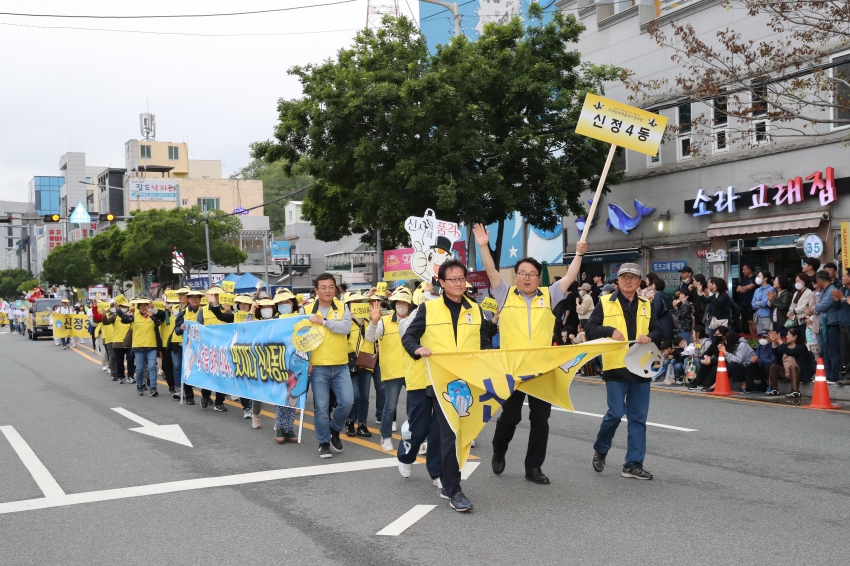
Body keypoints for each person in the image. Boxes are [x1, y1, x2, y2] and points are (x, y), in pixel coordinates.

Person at [473, 223, 587, 486]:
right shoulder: (504, 294)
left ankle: (533, 467)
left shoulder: (550, 295)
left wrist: (579, 253)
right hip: (512, 369)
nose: (526, 278)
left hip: (541, 370)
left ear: (539, 278)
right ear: (516, 276)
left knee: (540, 420)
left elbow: (569, 276)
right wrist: (482, 246)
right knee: (511, 417)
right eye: (522, 273)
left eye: (532, 274)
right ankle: (499, 450)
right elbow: (491, 271)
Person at [402, 259, 491, 511]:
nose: (458, 283)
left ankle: (443, 477)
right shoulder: (429, 309)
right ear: (441, 283)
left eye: (462, 278)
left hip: (467, 383)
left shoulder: (475, 310)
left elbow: (484, 345)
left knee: (451, 434)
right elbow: (409, 336)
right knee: (451, 434)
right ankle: (454, 490)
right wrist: (417, 348)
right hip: (439, 383)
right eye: (452, 279)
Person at [586, 263, 663, 481]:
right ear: (617, 280)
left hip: (641, 366)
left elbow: (659, 331)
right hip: (616, 367)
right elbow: (590, 330)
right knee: (616, 413)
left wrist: (651, 337)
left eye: (633, 277)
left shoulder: (647, 304)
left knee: (638, 418)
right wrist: (610, 331)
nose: (628, 281)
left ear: (640, 282)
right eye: (624, 277)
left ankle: (633, 464)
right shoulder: (604, 302)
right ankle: (601, 449)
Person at [307, 273, 354, 459]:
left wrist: (324, 322)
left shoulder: (343, 308)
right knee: (322, 407)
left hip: (341, 364)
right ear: (316, 290)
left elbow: (345, 328)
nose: (327, 290)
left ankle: (335, 429)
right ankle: (324, 442)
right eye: (323, 287)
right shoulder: (307, 310)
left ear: (336, 289)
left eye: (331, 287)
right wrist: (306, 361)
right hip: (318, 367)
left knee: (347, 402)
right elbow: (299, 338)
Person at [114, 298, 165, 397]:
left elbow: (159, 322)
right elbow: (125, 319)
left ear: (148, 306)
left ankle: (153, 388)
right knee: (140, 368)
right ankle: (140, 385)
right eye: (141, 306)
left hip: (151, 346)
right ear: (138, 307)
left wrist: (152, 317)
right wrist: (119, 311)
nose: (143, 307)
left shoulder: (152, 316)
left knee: (152, 367)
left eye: (145, 305)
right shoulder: (134, 316)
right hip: (138, 346)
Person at [344, 293, 376, 438]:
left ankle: (362, 424)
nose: (357, 306)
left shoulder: (369, 321)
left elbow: (374, 338)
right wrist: (348, 319)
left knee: (364, 396)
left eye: (359, 302)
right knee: (355, 395)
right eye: (353, 303)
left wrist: (372, 321)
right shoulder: (346, 323)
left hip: (366, 360)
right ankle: (350, 421)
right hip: (351, 361)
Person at [175, 289, 208, 405]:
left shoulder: (205, 311)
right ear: (188, 299)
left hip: (203, 347)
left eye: (197, 297)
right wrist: (181, 328)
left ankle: (205, 396)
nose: (195, 299)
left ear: (200, 299)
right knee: (187, 371)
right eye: (192, 297)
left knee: (205, 371)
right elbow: (177, 331)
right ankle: (189, 396)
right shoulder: (182, 313)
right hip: (188, 347)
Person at [766, 328, 813, 397]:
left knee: (793, 366)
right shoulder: (787, 347)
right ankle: (774, 389)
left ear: (795, 336)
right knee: (774, 366)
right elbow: (776, 353)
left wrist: (779, 341)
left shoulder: (802, 347)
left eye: (788, 334)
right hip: (787, 373)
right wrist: (774, 341)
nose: (786, 336)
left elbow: (791, 352)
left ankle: (795, 391)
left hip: (799, 374)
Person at [813, 270, 841, 383]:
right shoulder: (825, 290)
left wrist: (816, 307)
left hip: (831, 325)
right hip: (825, 325)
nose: (815, 284)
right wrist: (817, 306)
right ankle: (828, 375)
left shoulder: (832, 290)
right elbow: (819, 305)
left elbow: (821, 307)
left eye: (816, 281)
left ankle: (834, 375)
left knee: (832, 352)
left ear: (819, 281)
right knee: (825, 352)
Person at [103, 300, 136, 384]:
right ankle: (121, 377)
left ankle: (130, 376)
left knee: (130, 360)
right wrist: (103, 315)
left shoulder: (132, 316)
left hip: (129, 342)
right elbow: (106, 322)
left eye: (125, 307)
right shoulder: (115, 316)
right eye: (121, 306)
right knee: (119, 361)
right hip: (118, 343)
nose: (123, 308)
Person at [835, 269, 850, 384]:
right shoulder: (843, 290)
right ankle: (846, 375)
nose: (842, 278)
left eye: (844, 275)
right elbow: (837, 307)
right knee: (845, 351)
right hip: (842, 324)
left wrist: (843, 299)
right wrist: (836, 300)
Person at [737, 263, 757, 335]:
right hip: (744, 304)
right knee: (748, 322)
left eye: (744, 269)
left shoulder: (755, 279)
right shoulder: (743, 280)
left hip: (752, 304)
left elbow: (750, 287)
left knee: (752, 321)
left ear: (749, 269)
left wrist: (744, 288)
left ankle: (756, 337)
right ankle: (752, 338)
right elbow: (738, 290)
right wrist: (746, 288)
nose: (743, 271)